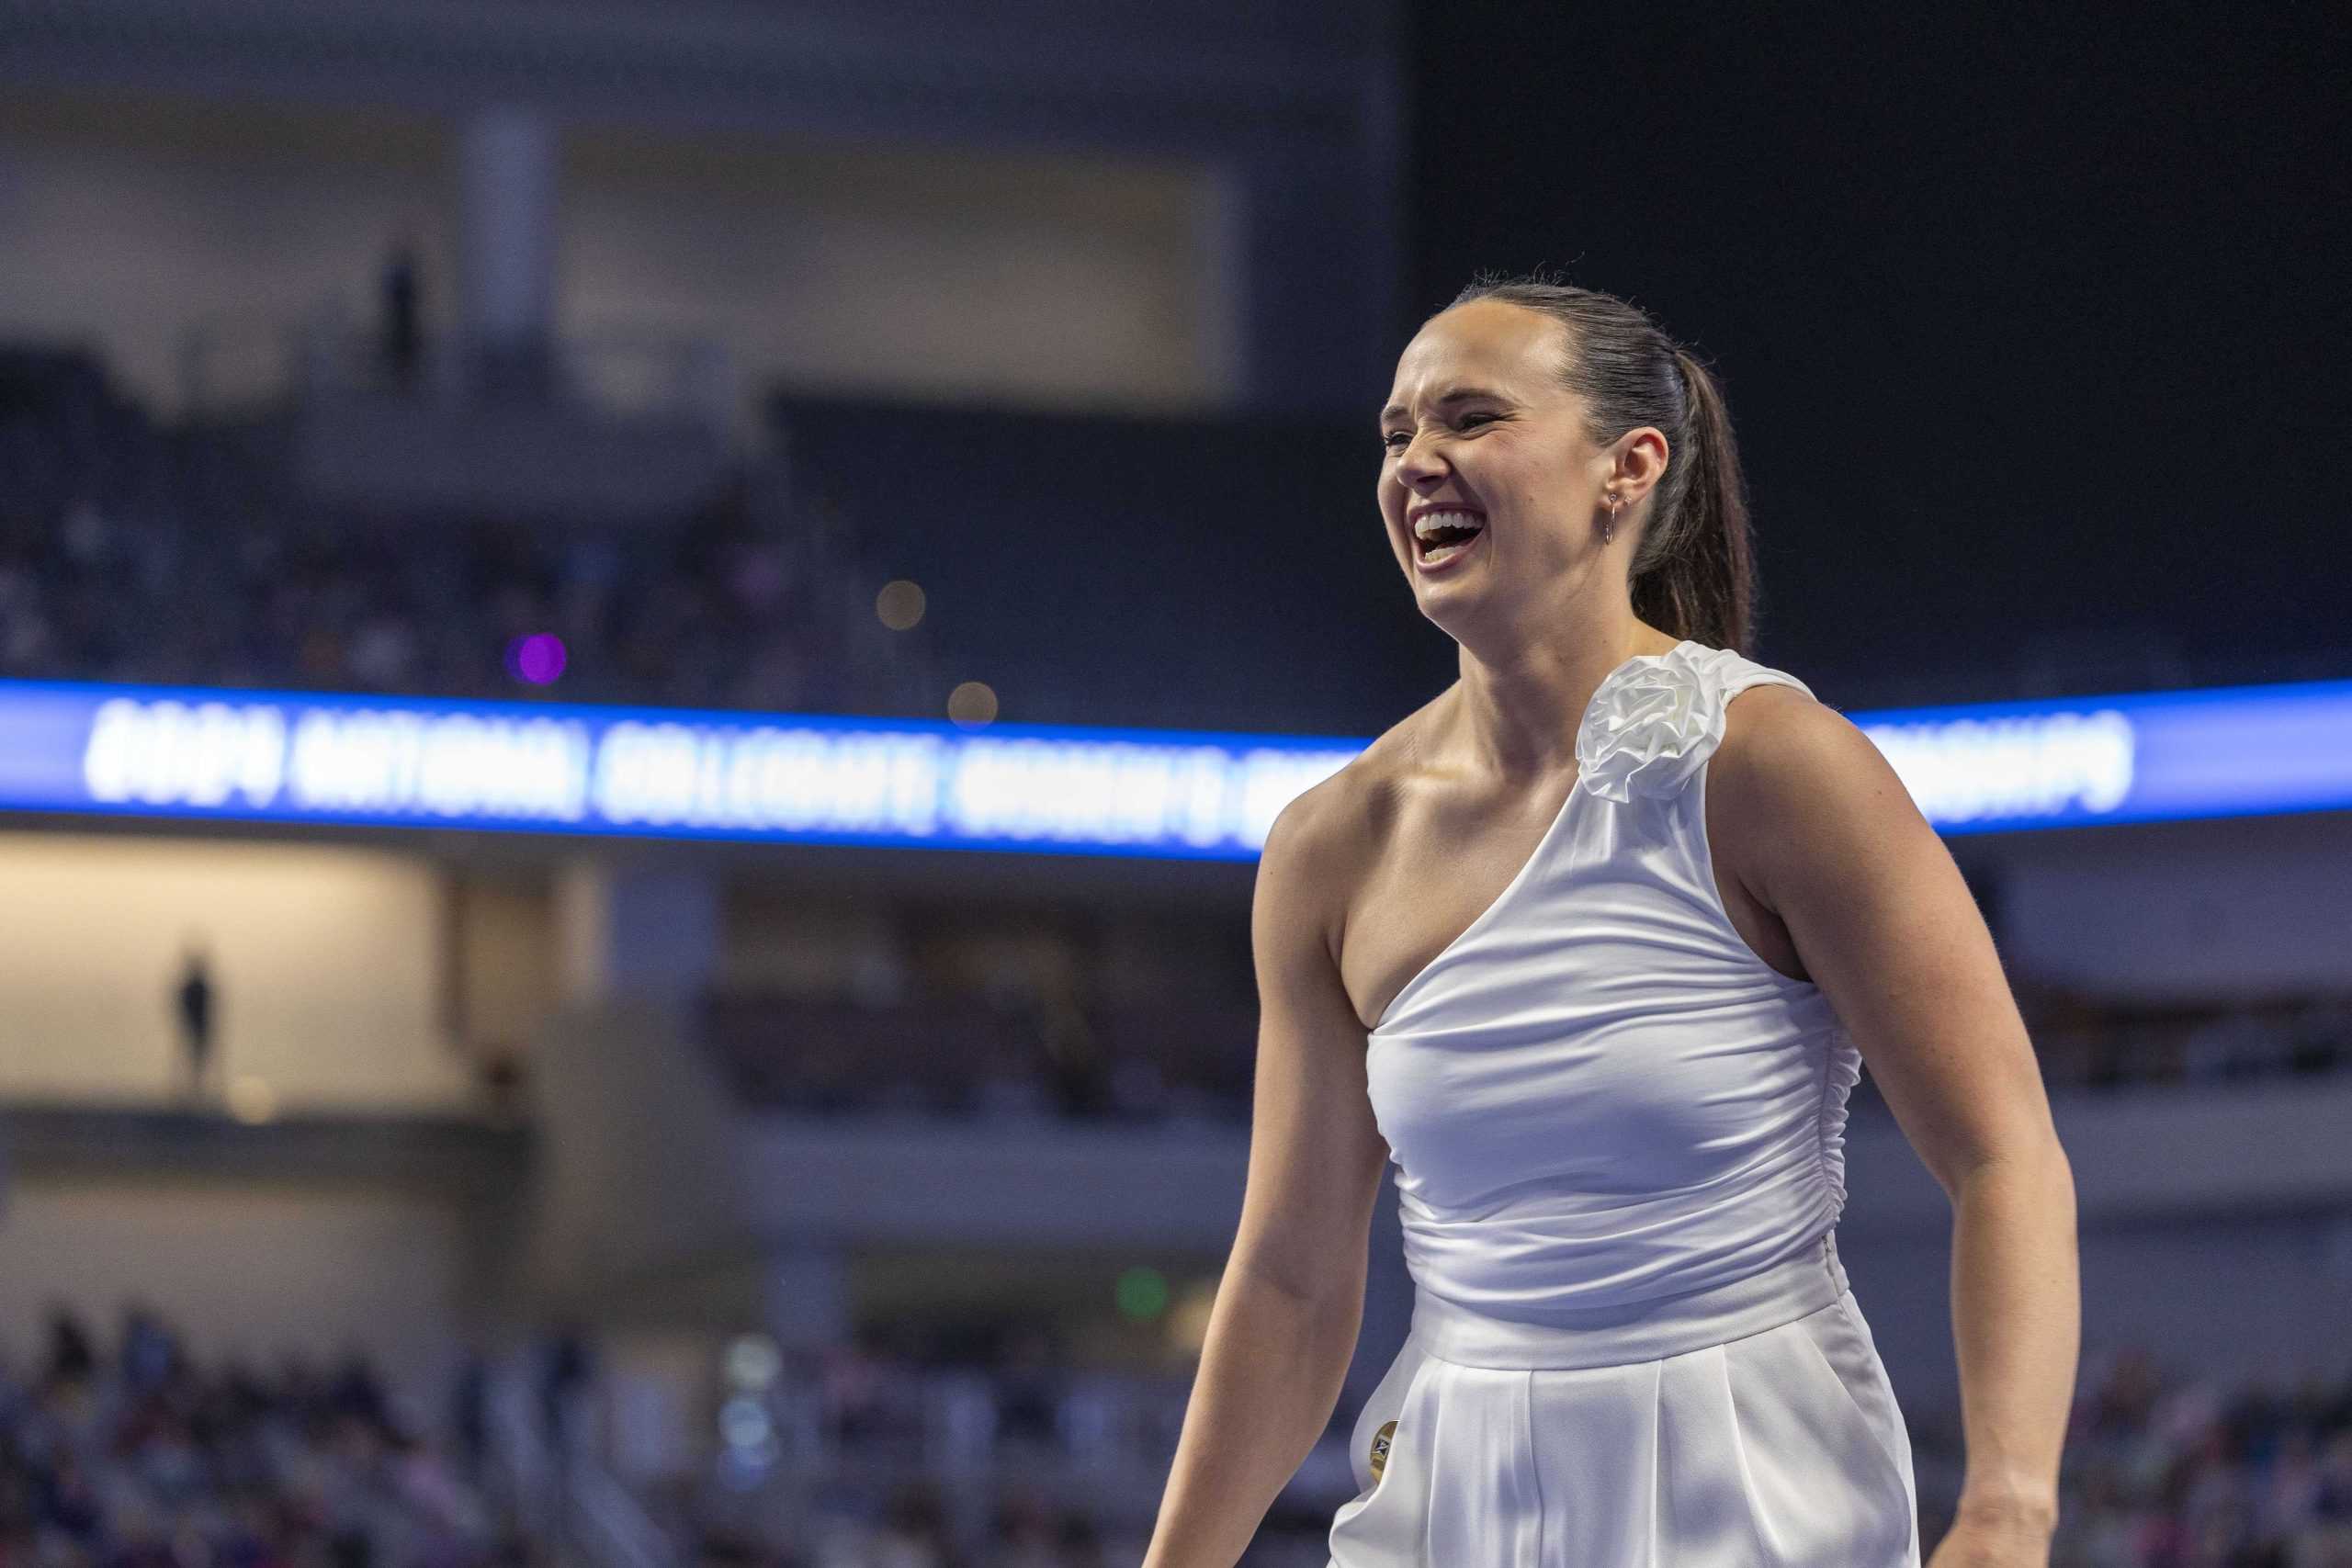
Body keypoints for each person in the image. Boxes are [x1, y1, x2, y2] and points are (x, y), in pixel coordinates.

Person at [1139, 278, 2080, 1568]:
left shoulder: (1775, 768)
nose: (1419, 463)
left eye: (1471, 418)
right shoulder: (1329, 846)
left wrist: (2009, 1508)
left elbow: (2004, 1155)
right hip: (1451, 1484)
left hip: (1751, 1476)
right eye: (1397, 432)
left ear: (1626, 469)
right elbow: (1293, 1285)